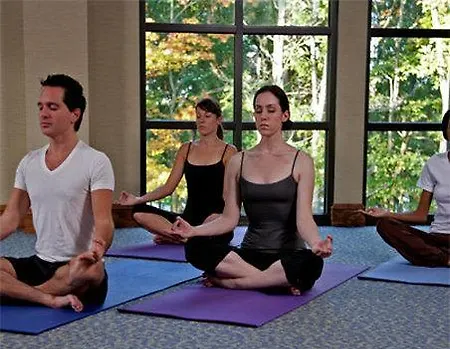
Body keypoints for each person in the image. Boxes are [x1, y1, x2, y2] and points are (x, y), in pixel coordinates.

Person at [171, 85, 333, 294]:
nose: (263, 116)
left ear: (285, 115)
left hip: (287, 256)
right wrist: (194, 231)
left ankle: (233, 283)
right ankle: (274, 281)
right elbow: (229, 218)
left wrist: (316, 242)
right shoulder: (238, 161)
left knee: (311, 263)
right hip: (248, 255)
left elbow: (304, 219)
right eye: (258, 110)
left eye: (271, 110)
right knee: (195, 247)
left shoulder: (301, 161)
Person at [0, 74, 115, 312]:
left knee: (92, 272)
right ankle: (47, 298)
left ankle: (21, 293)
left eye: (52, 107)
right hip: (39, 262)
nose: (43, 114)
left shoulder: (96, 161)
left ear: (75, 114)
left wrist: (98, 248)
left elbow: (104, 220)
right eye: (40, 107)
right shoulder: (29, 162)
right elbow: (10, 218)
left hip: (76, 265)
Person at [117, 98, 237, 244]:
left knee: (216, 223)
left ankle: (180, 236)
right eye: (198, 116)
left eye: (207, 116)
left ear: (219, 120)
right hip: (187, 219)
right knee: (138, 211)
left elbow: (229, 194)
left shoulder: (229, 151)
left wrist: (227, 218)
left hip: (214, 219)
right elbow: (168, 188)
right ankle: (185, 236)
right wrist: (138, 199)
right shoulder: (186, 149)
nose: (201, 121)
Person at [361, 109, 450, 267]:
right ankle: (444, 258)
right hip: (437, 238)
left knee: (422, 252)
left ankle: (434, 257)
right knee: (385, 225)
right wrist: (387, 213)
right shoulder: (434, 163)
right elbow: (420, 215)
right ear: (446, 131)